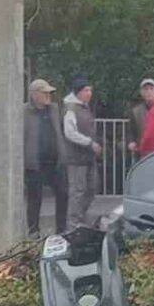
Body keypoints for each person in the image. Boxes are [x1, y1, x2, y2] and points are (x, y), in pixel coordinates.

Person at [23, 79, 67, 236]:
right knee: (35, 198)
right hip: (34, 162)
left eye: (49, 93)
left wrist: (63, 153)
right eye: (45, 93)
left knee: (63, 193)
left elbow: (60, 131)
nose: (48, 96)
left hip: (55, 161)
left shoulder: (54, 109)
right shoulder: (24, 112)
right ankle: (33, 231)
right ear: (34, 95)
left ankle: (61, 230)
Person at [61, 75, 103, 231]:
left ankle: (79, 218)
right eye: (86, 90)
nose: (89, 93)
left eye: (90, 90)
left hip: (88, 157)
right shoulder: (70, 109)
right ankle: (72, 225)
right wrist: (89, 143)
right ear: (78, 92)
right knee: (77, 192)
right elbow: (69, 133)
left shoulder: (84, 107)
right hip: (76, 158)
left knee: (92, 188)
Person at [126, 78, 154, 153]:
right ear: (141, 92)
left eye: (151, 89)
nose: (149, 92)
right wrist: (131, 142)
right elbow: (131, 132)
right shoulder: (135, 111)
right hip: (143, 153)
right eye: (146, 89)